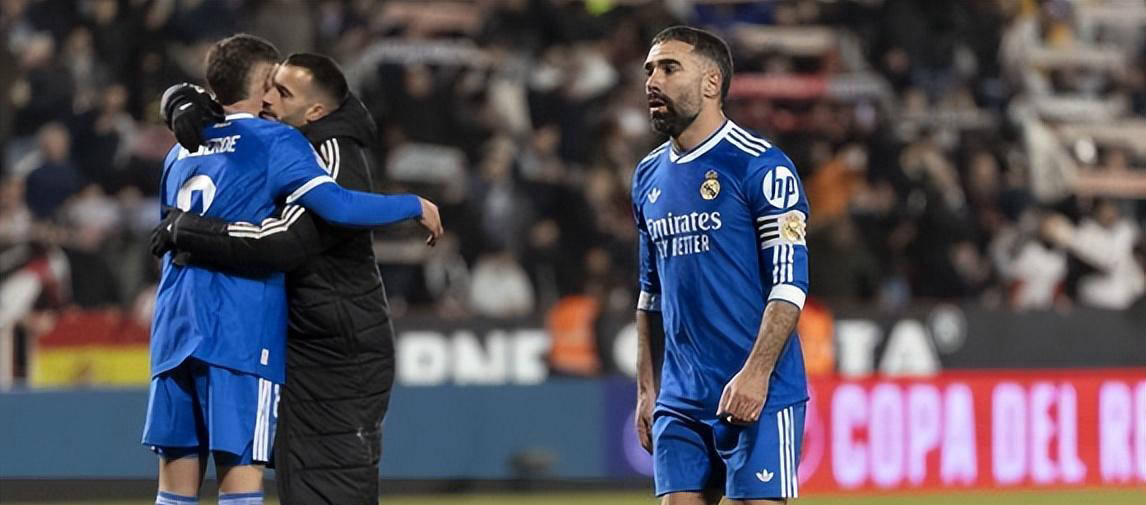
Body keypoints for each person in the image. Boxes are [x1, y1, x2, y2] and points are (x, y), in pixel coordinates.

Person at [143, 34, 443, 505]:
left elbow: (168, 225)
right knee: (239, 481)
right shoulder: (277, 140)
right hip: (238, 331)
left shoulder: (177, 150)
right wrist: (412, 204)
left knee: (174, 488)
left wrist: (179, 100)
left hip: (174, 327)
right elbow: (337, 207)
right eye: (274, 83)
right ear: (262, 85)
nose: (274, 96)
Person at [631, 26, 810, 504]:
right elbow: (650, 295)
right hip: (680, 398)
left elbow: (789, 285)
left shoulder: (763, 167)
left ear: (712, 83)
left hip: (759, 390)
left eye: (669, 68)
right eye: (649, 70)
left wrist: (757, 373)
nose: (653, 80)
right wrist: (647, 389)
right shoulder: (647, 176)